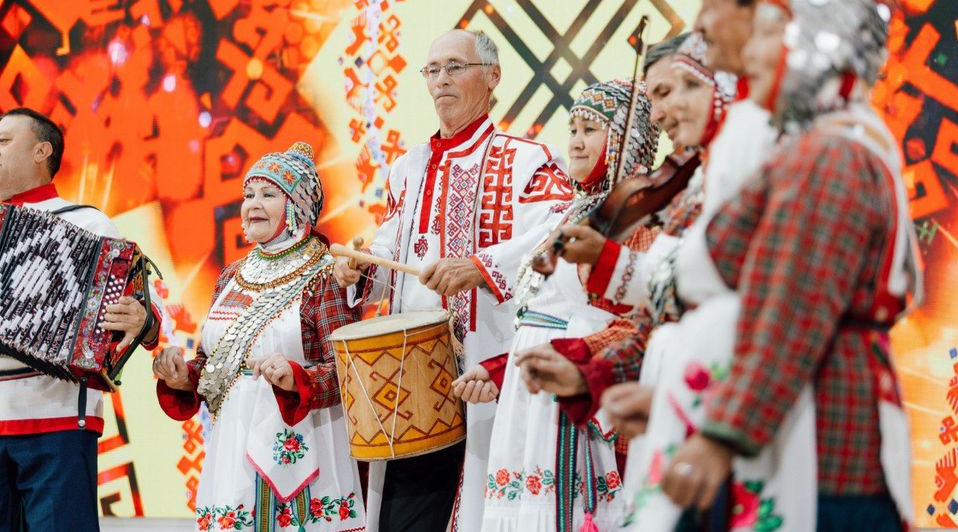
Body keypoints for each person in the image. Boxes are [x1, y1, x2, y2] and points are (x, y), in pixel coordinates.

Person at [515, 0, 814, 441]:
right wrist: (587, 374)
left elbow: (781, 314)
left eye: (684, 88)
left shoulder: (799, 148)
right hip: (693, 408)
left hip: (759, 425)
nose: (661, 114)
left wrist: (716, 436)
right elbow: (664, 312)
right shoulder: (698, 181)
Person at [657, 0, 921, 531]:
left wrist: (721, 436)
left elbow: (792, 310)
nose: (751, 52)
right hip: (809, 421)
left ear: (818, 46)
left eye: (772, 33)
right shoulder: (836, 142)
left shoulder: (830, 157)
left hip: (824, 440)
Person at [332, 29, 574, 532]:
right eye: (432, 70)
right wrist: (361, 268)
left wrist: (481, 266)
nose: (441, 79)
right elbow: (388, 252)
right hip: (409, 383)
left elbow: (563, 228)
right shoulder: (408, 169)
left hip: (488, 375)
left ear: (492, 77)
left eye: (454, 67)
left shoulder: (527, 159)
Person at [454, 79, 659, 531]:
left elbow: (638, 322)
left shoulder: (636, 217)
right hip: (531, 406)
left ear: (630, 138)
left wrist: (573, 361)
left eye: (591, 129)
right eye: (573, 129)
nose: (577, 142)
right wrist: (500, 369)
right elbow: (546, 323)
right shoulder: (574, 212)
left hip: (582, 401)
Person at [154, 142, 366, 531]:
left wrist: (296, 379)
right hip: (233, 444)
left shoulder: (326, 274)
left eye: (269, 194)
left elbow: (350, 372)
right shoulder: (233, 276)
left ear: (298, 206)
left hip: (304, 443)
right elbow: (214, 363)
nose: (252, 203)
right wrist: (184, 376)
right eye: (248, 193)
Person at [0, 107, 160, 532]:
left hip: (59, 420)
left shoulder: (88, 222)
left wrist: (139, 319)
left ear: (41, 150)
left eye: (3, 141)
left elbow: (148, 320)